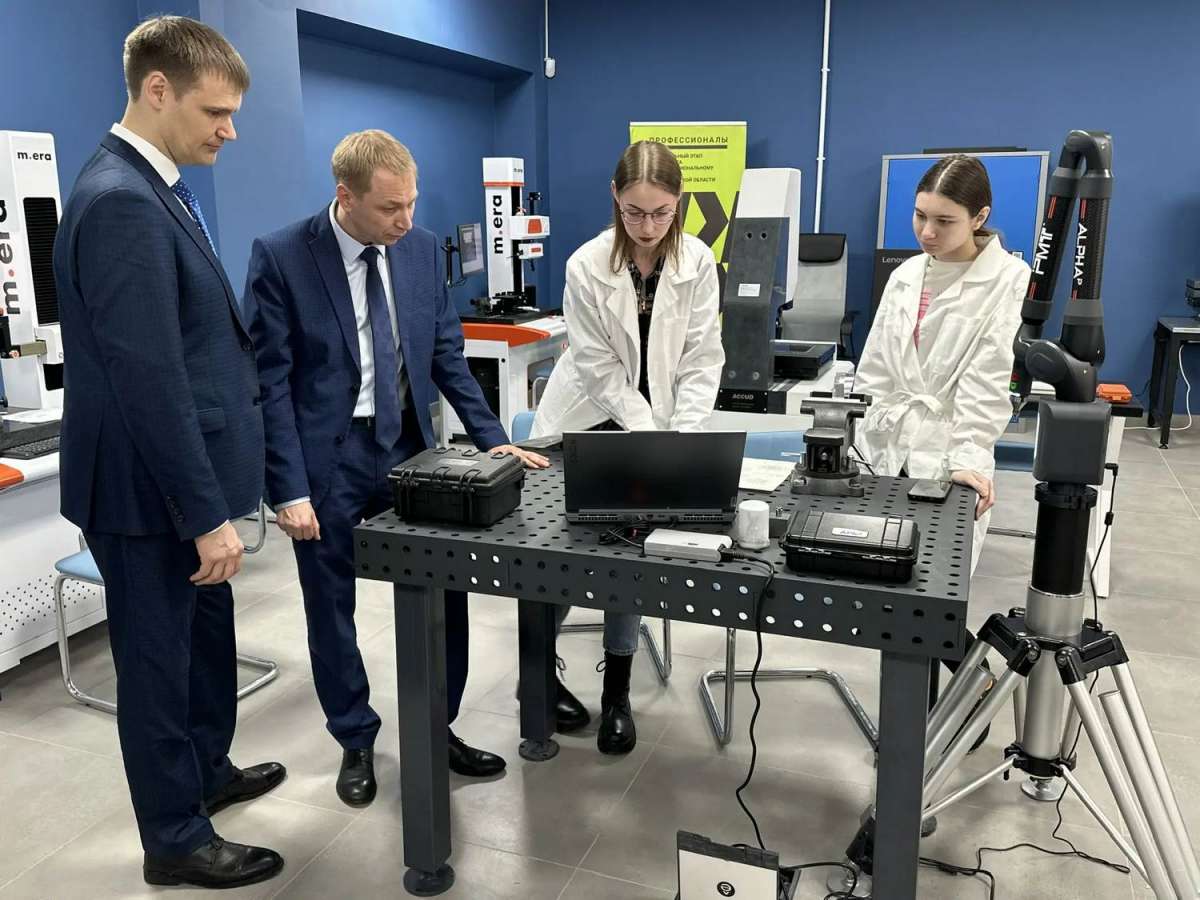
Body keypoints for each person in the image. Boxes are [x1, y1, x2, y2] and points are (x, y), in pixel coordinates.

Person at [246, 129, 548, 807]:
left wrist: (492, 440)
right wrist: (287, 487)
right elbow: (269, 383)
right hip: (328, 460)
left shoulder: (420, 249)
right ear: (345, 196)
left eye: (411, 202)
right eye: (389, 208)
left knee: (445, 584)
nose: (405, 219)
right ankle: (355, 737)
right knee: (331, 604)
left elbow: (446, 356)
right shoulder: (283, 256)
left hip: (409, 449)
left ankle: (438, 727)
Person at [53, 16, 285, 889]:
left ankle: (207, 773)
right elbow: (150, 381)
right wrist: (203, 515)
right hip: (148, 499)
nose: (229, 131)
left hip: (184, 490)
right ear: (157, 91)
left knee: (206, 647)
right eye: (216, 113)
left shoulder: (159, 187)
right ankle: (175, 839)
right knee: (157, 669)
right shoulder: (119, 200)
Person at [531, 140, 724, 754]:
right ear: (615, 197)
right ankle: (536, 678)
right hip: (589, 421)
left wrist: (680, 437)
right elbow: (597, 366)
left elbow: (702, 358)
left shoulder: (697, 262)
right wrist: (647, 428)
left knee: (629, 558)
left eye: (661, 212)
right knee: (556, 558)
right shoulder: (586, 264)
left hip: (662, 426)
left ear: (680, 202)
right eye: (635, 211)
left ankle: (617, 691)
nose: (647, 226)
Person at [854, 153, 1030, 566]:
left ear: (979, 217)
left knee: (934, 575)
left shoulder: (1008, 278)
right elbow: (875, 368)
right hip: (883, 448)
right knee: (870, 565)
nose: (927, 232)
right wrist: (855, 439)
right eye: (920, 216)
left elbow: (987, 380)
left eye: (944, 221)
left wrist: (967, 459)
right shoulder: (906, 275)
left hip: (948, 450)